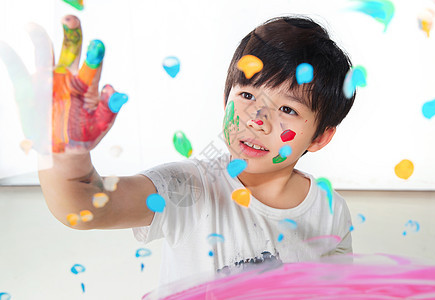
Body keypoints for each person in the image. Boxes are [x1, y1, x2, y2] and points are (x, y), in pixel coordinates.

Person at [39, 14, 356, 287]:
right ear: (225, 101)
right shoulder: (187, 185)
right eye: (247, 96)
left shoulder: (329, 210)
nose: (258, 120)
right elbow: (85, 206)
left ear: (320, 137)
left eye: (287, 109)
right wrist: (66, 153)